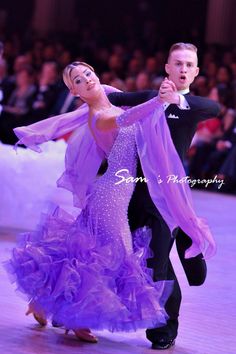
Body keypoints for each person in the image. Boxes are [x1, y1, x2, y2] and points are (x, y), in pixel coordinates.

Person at [5, 61, 215, 345]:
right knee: (114, 259)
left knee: (80, 251)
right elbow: (129, 118)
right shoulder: (99, 114)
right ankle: (76, 319)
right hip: (112, 196)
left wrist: (166, 97)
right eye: (78, 81)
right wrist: (159, 100)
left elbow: (128, 103)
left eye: (88, 74)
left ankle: (42, 304)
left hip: (117, 191)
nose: (87, 81)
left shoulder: (110, 96)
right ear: (74, 92)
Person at [108, 42, 221, 350]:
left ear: (196, 72)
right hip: (134, 193)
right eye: (178, 64)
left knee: (157, 267)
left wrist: (177, 103)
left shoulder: (195, 106)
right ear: (167, 68)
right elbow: (113, 98)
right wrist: (87, 85)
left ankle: (164, 330)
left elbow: (216, 109)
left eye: (189, 65)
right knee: (131, 258)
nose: (183, 69)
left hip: (167, 200)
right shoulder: (148, 99)